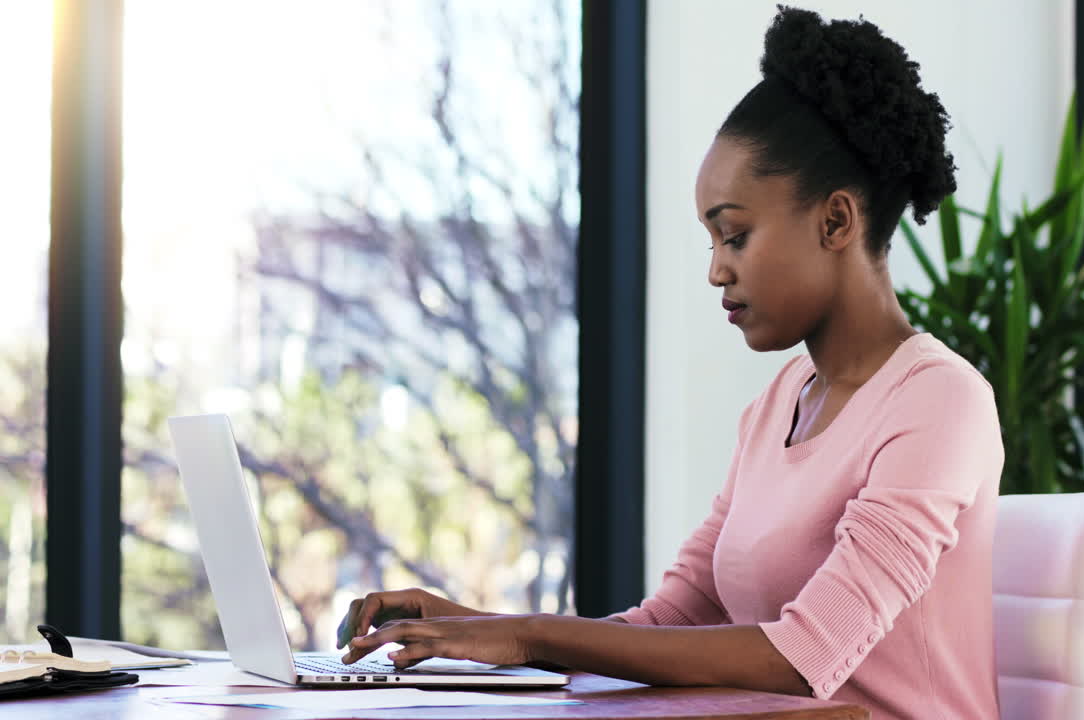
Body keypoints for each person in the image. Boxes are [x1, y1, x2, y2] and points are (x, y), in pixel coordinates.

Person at [337, 6, 1004, 718]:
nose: (717, 271)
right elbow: (667, 624)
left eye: (736, 236)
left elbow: (806, 656)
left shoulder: (939, 401)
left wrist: (529, 637)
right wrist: (472, 628)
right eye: (711, 242)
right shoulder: (778, 405)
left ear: (835, 221)